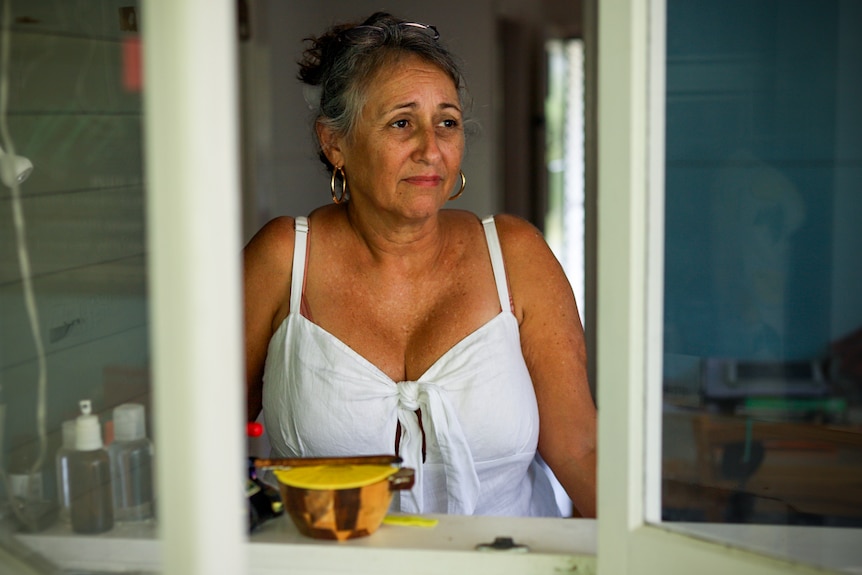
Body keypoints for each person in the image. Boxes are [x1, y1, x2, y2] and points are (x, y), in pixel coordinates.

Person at [243, 11, 596, 518]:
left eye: (447, 123)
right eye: (402, 122)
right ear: (335, 142)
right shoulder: (283, 258)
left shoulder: (515, 254)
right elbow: (203, 438)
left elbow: (581, 450)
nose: (431, 150)